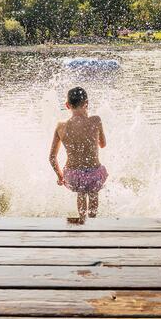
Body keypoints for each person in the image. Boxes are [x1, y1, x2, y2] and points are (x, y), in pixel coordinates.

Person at [48, 86, 108, 221]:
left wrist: (60, 176)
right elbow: (103, 145)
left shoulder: (60, 126)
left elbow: (52, 157)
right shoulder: (95, 120)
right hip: (94, 175)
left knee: (81, 193)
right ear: (86, 103)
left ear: (67, 105)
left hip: (73, 176)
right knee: (93, 193)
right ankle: (92, 220)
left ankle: (82, 219)